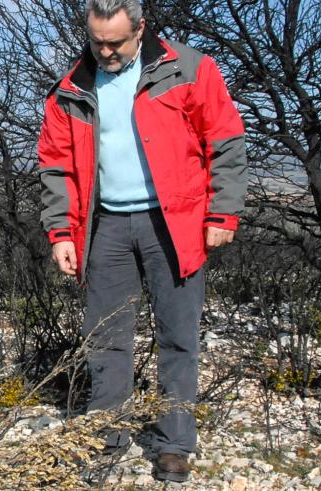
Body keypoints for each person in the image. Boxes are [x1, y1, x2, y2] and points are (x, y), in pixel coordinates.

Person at [37, 0, 247, 482]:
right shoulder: (72, 88)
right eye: (96, 42)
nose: (105, 51)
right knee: (106, 338)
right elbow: (55, 165)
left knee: (178, 336)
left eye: (115, 42)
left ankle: (173, 443)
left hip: (175, 223)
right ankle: (104, 438)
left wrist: (223, 211)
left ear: (141, 29)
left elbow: (227, 140)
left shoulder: (191, 70)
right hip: (103, 226)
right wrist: (61, 231)